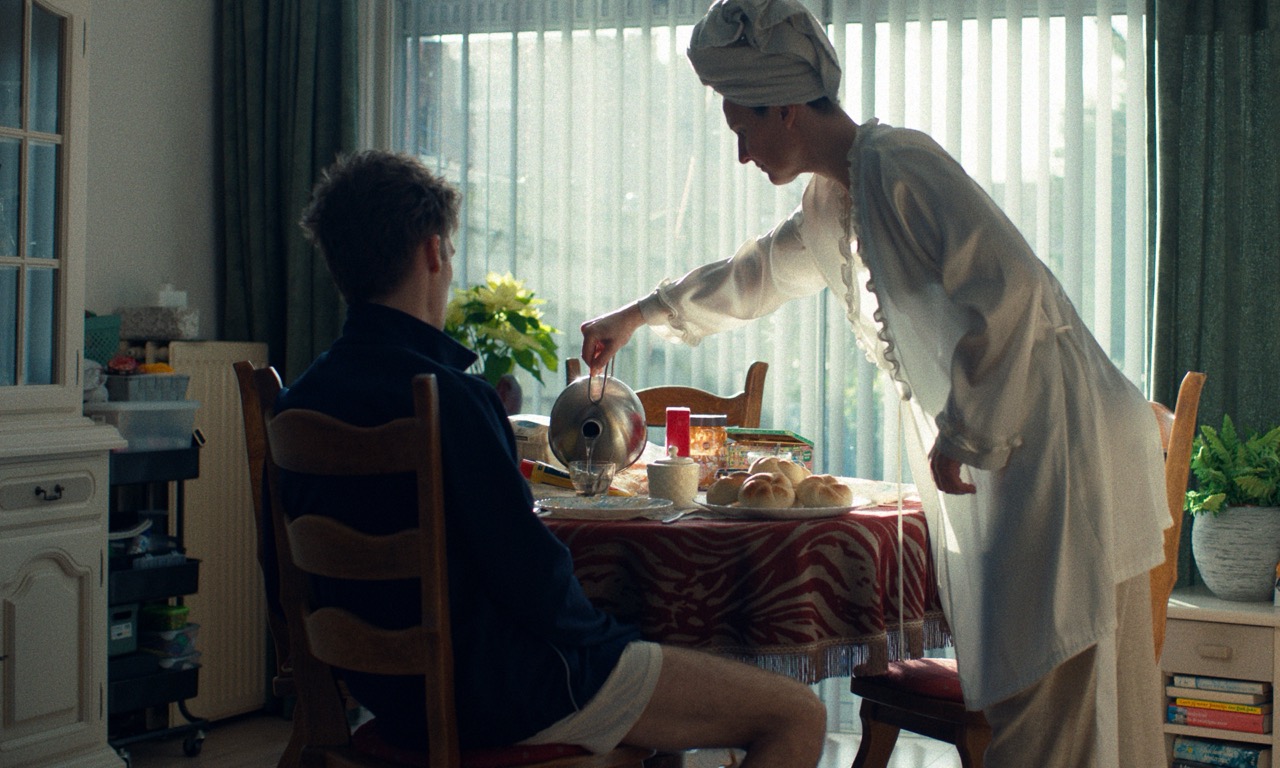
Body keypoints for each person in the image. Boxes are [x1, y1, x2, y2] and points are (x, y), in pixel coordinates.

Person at [578, 2, 1169, 766]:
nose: (741, 154)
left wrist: (964, 431)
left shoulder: (899, 164)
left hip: (1056, 438)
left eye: (742, 129)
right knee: (1044, 705)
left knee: (1049, 709)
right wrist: (635, 315)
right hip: (1027, 439)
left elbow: (1013, 288)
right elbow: (754, 274)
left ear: (786, 109)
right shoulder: (832, 200)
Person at [280, 149, 826, 765]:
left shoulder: (300, 403)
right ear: (434, 252)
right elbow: (531, 578)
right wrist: (615, 639)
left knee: (652, 676)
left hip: (388, 697)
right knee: (797, 714)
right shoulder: (450, 400)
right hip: (512, 693)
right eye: (451, 252)